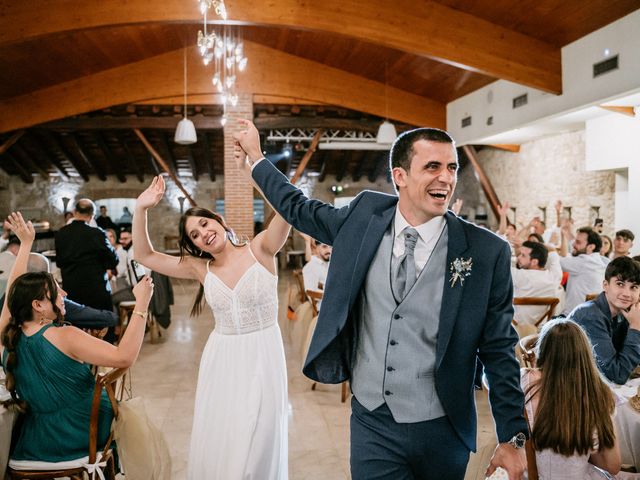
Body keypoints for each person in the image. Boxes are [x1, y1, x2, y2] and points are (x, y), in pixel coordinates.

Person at [233, 120, 527, 480]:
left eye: (452, 167)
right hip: (373, 421)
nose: (446, 178)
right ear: (399, 175)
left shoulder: (486, 251)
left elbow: (499, 348)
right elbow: (299, 208)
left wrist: (512, 437)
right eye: (432, 166)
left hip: (443, 426)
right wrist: (257, 158)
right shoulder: (363, 217)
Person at [132, 176, 290, 480]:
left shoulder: (261, 248)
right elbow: (144, 255)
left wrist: (256, 167)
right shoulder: (199, 268)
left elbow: (286, 208)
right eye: (194, 235)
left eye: (204, 225)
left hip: (264, 353)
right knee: (228, 436)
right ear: (194, 245)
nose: (203, 234)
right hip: (223, 359)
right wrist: (141, 209)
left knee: (261, 438)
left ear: (218, 220)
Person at [0, 212, 154, 464]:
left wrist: (27, 244)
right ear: (38, 305)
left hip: (37, 440)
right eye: (56, 291)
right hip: (82, 431)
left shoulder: (6, 335)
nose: (64, 293)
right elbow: (125, 357)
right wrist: (142, 305)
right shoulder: (64, 335)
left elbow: (11, 295)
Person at [521, 318, 639, 479]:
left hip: (528, 474)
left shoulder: (525, 379)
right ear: (586, 353)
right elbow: (612, 465)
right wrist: (582, 449)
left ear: (543, 350)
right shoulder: (601, 396)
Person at [568, 256, 640, 385]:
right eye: (620, 284)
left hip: (595, 384)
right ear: (605, 285)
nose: (627, 294)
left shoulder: (624, 312)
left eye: (633, 287)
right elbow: (617, 375)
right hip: (571, 386)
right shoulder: (590, 316)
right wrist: (635, 328)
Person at [55, 199, 119, 311]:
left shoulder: (61, 233)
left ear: (74, 212)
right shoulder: (97, 234)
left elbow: (60, 262)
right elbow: (113, 261)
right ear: (92, 215)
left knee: (75, 326)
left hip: (72, 292)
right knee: (104, 324)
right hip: (96, 292)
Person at [512, 241, 564, 327]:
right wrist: (538, 245)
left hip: (515, 328)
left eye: (523, 255)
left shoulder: (519, 275)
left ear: (534, 262)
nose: (518, 257)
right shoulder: (555, 276)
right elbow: (554, 253)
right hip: (541, 330)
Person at [559, 226, 606, 315]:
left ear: (591, 247)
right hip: (592, 315)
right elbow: (567, 257)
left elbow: (557, 262)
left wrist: (549, 250)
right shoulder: (598, 260)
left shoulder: (584, 262)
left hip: (575, 318)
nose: (573, 245)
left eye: (578, 242)